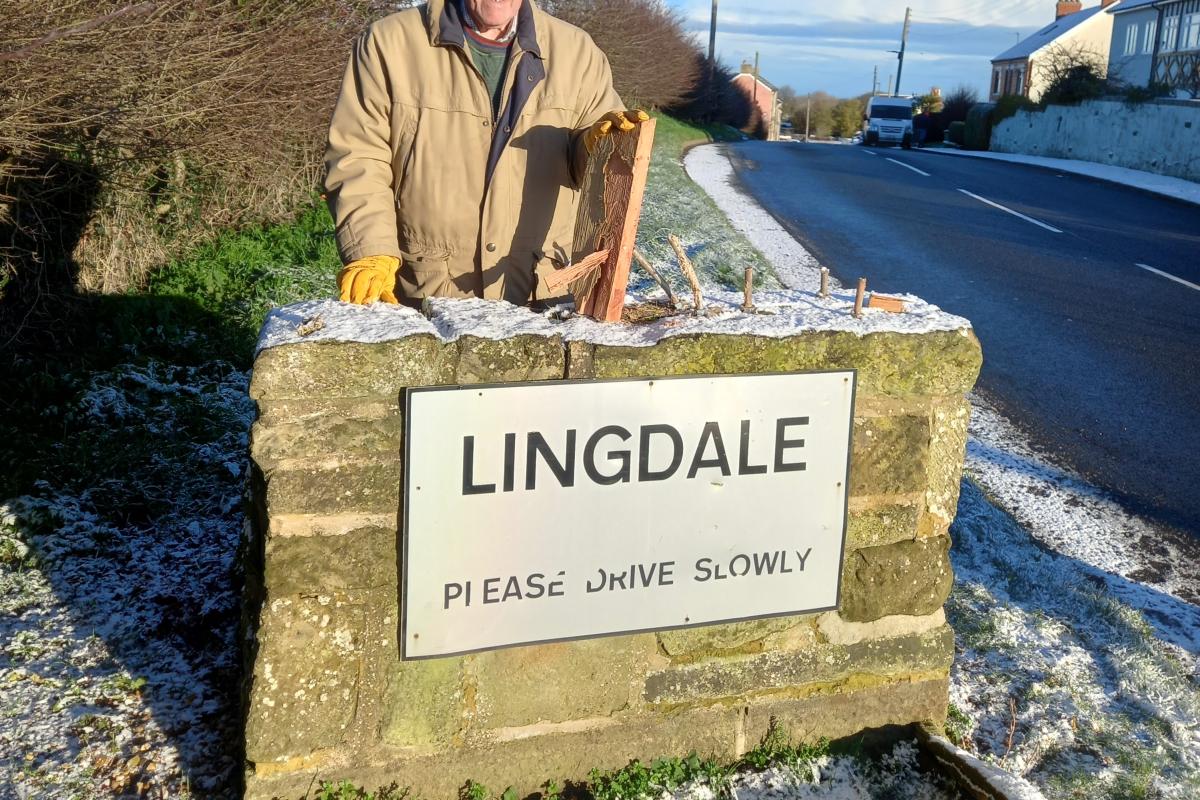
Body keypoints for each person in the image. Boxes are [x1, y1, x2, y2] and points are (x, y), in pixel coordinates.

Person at [325, 0, 647, 307]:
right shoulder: (389, 44)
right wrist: (371, 249)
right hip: (426, 298)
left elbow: (599, 174)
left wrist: (597, 148)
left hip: (539, 301)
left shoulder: (579, 54)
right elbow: (359, 157)